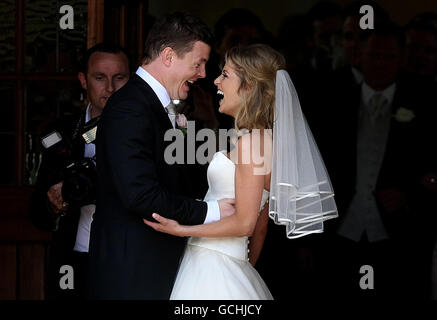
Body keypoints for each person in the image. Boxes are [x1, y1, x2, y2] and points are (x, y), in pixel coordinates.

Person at [144, 44, 338, 300]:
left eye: (225, 75)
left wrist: (182, 229)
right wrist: (241, 271)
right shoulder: (265, 140)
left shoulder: (251, 143)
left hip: (211, 264)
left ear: (248, 87)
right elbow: (261, 223)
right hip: (228, 264)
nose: (216, 81)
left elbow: (246, 223)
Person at [87, 12, 235, 300]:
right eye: (198, 63)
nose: (203, 74)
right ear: (168, 56)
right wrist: (210, 211)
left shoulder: (156, 104)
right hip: (131, 273)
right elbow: (140, 195)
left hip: (150, 266)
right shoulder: (131, 107)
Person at [29, 43, 130, 299]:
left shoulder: (148, 132)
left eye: (119, 78)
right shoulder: (60, 133)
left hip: (126, 259)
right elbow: (38, 214)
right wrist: (54, 203)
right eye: (99, 78)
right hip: (72, 261)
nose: (110, 88)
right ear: (83, 81)